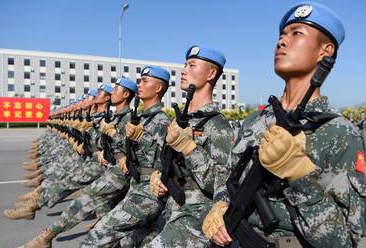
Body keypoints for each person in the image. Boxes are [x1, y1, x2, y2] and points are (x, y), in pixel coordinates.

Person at [203, 2, 366, 247]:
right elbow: (227, 177)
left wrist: (298, 175)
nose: (281, 42)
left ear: (326, 51)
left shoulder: (339, 133)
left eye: (296, 33)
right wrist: (219, 203)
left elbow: (344, 241)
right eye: (281, 35)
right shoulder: (254, 121)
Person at [17, 78, 138, 248]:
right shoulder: (113, 117)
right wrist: (88, 140)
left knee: (81, 191)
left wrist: (100, 144)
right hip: (103, 165)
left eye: (117, 89)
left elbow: (129, 150)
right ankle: (40, 199)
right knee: (97, 201)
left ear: (126, 94)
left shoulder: (128, 120)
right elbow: (100, 144)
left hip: (112, 170)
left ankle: (41, 218)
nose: (88, 100)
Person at [145, 46, 233, 247]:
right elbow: (165, 159)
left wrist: (189, 149)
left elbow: (222, 183)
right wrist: (158, 174)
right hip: (171, 208)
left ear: (211, 74)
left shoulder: (218, 127)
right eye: (185, 65)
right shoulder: (182, 120)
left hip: (196, 216)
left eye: (192, 65)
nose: (183, 70)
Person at [80, 66, 171, 248]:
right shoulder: (141, 118)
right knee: (133, 240)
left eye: (145, 81)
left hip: (148, 191)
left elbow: (165, 160)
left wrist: (115, 135)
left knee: (97, 237)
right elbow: (125, 149)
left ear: (159, 88)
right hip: (135, 184)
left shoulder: (161, 120)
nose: (140, 85)